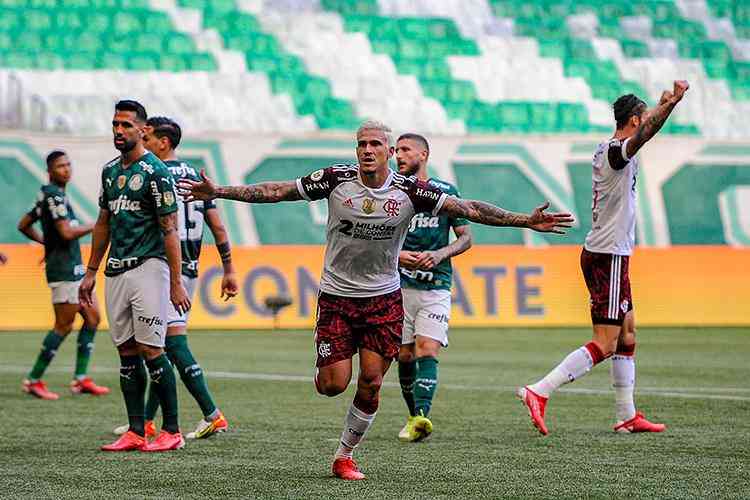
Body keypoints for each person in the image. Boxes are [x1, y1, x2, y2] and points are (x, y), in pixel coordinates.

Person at [179, 120, 573, 480]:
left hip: (384, 299)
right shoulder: (335, 179)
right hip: (337, 297)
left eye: (375, 144)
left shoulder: (410, 191)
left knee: (370, 383)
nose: (367, 150)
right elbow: (277, 191)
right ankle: (325, 365)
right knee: (333, 385)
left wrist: (525, 220)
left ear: (388, 151)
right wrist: (220, 192)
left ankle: (344, 455)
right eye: (361, 144)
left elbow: (467, 209)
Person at [518, 80, 689, 435]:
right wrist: (671, 105)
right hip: (608, 256)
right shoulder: (616, 152)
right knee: (607, 341)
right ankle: (540, 390)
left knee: (628, 335)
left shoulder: (609, 149)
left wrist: (661, 107)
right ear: (634, 120)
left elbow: (644, 131)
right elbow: (644, 135)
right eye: (643, 121)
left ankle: (626, 415)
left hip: (610, 254)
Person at [112, 116, 237, 440]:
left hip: (164, 266)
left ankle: (211, 413)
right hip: (190, 266)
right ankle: (149, 421)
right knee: (160, 345)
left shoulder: (153, 172)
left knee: (170, 343)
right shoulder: (195, 176)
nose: (144, 140)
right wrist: (229, 268)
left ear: (163, 142)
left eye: (149, 136)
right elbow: (218, 227)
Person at [79, 100, 191, 452]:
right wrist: (91, 271)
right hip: (116, 270)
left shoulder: (157, 172)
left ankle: (171, 431)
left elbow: (170, 230)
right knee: (126, 351)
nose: (118, 131)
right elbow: (103, 224)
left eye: (126, 125)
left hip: (149, 267)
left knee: (151, 349)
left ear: (142, 129)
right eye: (115, 124)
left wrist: (175, 281)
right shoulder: (110, 172)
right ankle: (135, 430)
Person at [394, 133, 472, 442]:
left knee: (427, 348)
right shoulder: (392, 194)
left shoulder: (444, 193)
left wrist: (440, 254)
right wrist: (399, 255)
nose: (398, 155)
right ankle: (413, 415)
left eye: (405, 150)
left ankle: (422, 417)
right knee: (403, 355)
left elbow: (466, 237)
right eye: (396, 150)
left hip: (437, 284)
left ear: (423, 155)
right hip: (398, 285)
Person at [17, 150, 108, 400]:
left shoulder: (49, 195)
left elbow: (24, 224)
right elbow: (67, 233)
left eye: (68, 165)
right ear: (50, 170)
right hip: (64, 270)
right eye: (60, 166)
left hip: (74, 268)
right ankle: (34, 379)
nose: (66, 169)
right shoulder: (54, 197)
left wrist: (47, 244)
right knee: (64, 325)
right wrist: (99, 223)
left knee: (92, 318)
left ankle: (80, 379)